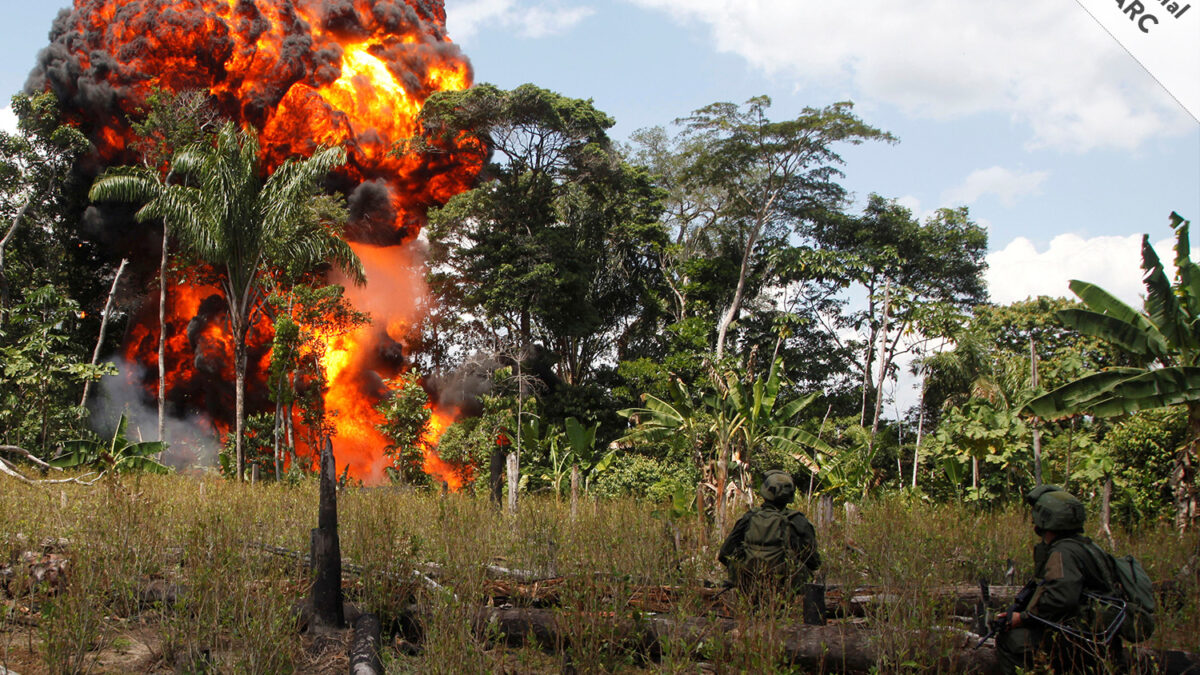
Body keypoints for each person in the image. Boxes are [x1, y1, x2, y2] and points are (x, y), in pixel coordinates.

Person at [996, 485, 1124, 674]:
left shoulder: (1062, 553)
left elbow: (1060, 599)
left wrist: (1021, 619)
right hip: (1100, 637)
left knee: (1010, 641)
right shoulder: (1086, 546)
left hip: (1082, 640)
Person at [718, 470, 820, 597]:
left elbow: (724, 554)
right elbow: (814, 562)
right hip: (785, 590)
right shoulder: (797, 520)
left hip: (749, 586)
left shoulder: (750, 517)